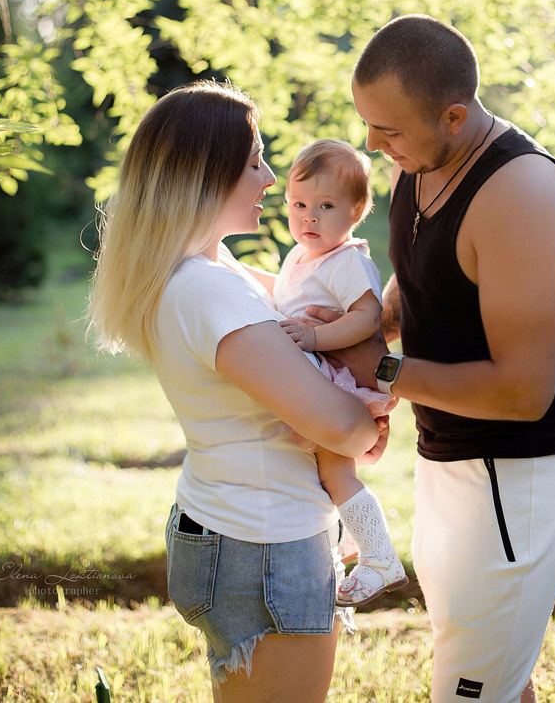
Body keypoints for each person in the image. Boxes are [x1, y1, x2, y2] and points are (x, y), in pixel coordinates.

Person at [313, 14, 555, 703]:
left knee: (469, 687)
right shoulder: (419, 161)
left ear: (453, 116)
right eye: (367, 124)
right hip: (452, 452)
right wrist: (368, 326)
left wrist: (380, 369)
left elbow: (523, 393)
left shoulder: (520, 196)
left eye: (388, 130)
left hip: (523, 470)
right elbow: (424, 275)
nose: (372, 144)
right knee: (487, 661)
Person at [88, 80, 383, 703]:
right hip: (263, 543)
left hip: (240, 527)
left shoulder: (209, 270)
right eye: (254, 163)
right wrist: (369, 417)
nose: (271, 180)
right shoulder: (209, 290)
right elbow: (345, 429)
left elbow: (315, 307)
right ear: (205, 176)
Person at [272, 139, 407, 606]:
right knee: (323, 471)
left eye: (325, 206)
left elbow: (367, 319)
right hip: (319, 379)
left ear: (356, 212)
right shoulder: (298, 256)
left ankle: (380, 557)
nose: (309, 217)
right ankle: (350, 534)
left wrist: (314, 338)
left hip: (341, 383)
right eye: (299, 204)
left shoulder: (348, 260)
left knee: (336, 471)